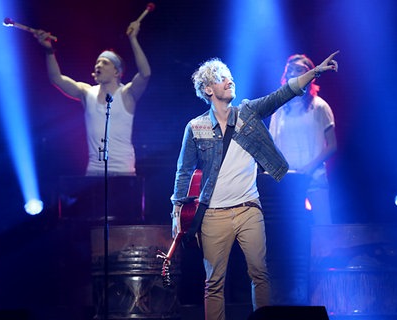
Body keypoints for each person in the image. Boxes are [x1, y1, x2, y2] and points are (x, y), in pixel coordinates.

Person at [170, 51, 339, 320]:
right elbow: (184, 171)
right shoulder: (196, 127)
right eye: (222, 78)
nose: (229, 81)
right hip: (213, 214)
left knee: (260, 274)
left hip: (250, 209)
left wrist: (315, 71)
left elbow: (283, 93)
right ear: (207, 89)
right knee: (214, 282)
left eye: (230, 77)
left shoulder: (248, 112)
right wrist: (178, 209)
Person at [34, 19, 151, 176]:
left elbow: (145, 74)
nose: (98, 65)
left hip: (123, 171)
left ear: (117, 72)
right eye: (97, 62)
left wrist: (133, 39)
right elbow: (56, 79)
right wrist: (49, 51)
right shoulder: (87, 92)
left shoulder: (127, 94)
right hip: (94, 172)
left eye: (105, 63)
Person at [269, 54, 337, 225]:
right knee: (290, 229)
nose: (293, 72)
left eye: (299, 69)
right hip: (288, 181)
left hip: (314, 179)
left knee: (323, 227)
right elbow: (272, 145)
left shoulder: (319, 106)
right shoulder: (279, 110)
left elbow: (332, 145)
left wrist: (309, 168)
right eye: (290, 69)